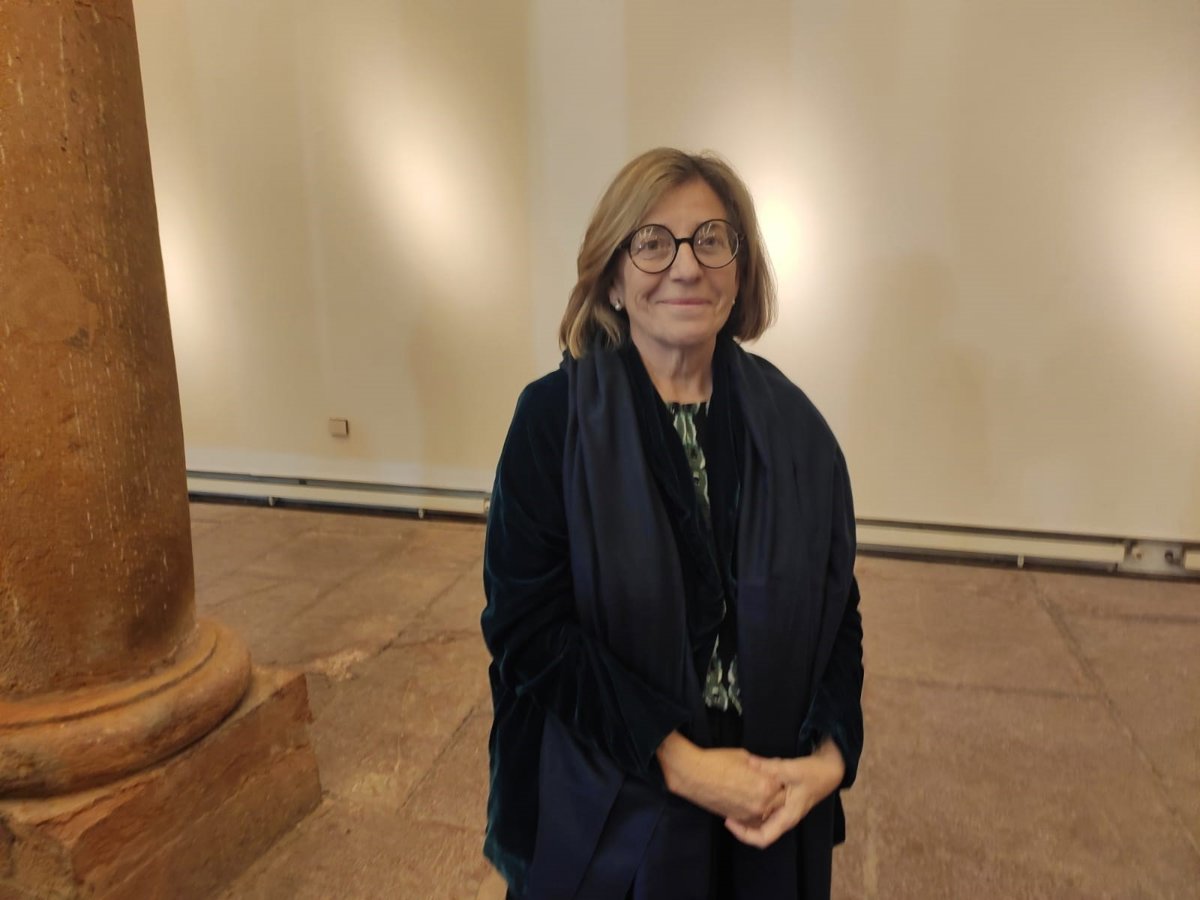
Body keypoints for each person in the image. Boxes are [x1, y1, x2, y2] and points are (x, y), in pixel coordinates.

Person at [481, 148, 863, 900]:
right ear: (612, 278)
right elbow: (528, 629)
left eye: (711, 239)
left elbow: (836, 613)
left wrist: (830, 759)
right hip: (616, 793)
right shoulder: (552, 422)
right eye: (652, 242)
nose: (686, 266)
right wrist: (682, 765)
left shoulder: (798, 430)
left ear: (740, 271)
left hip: (770, 794)